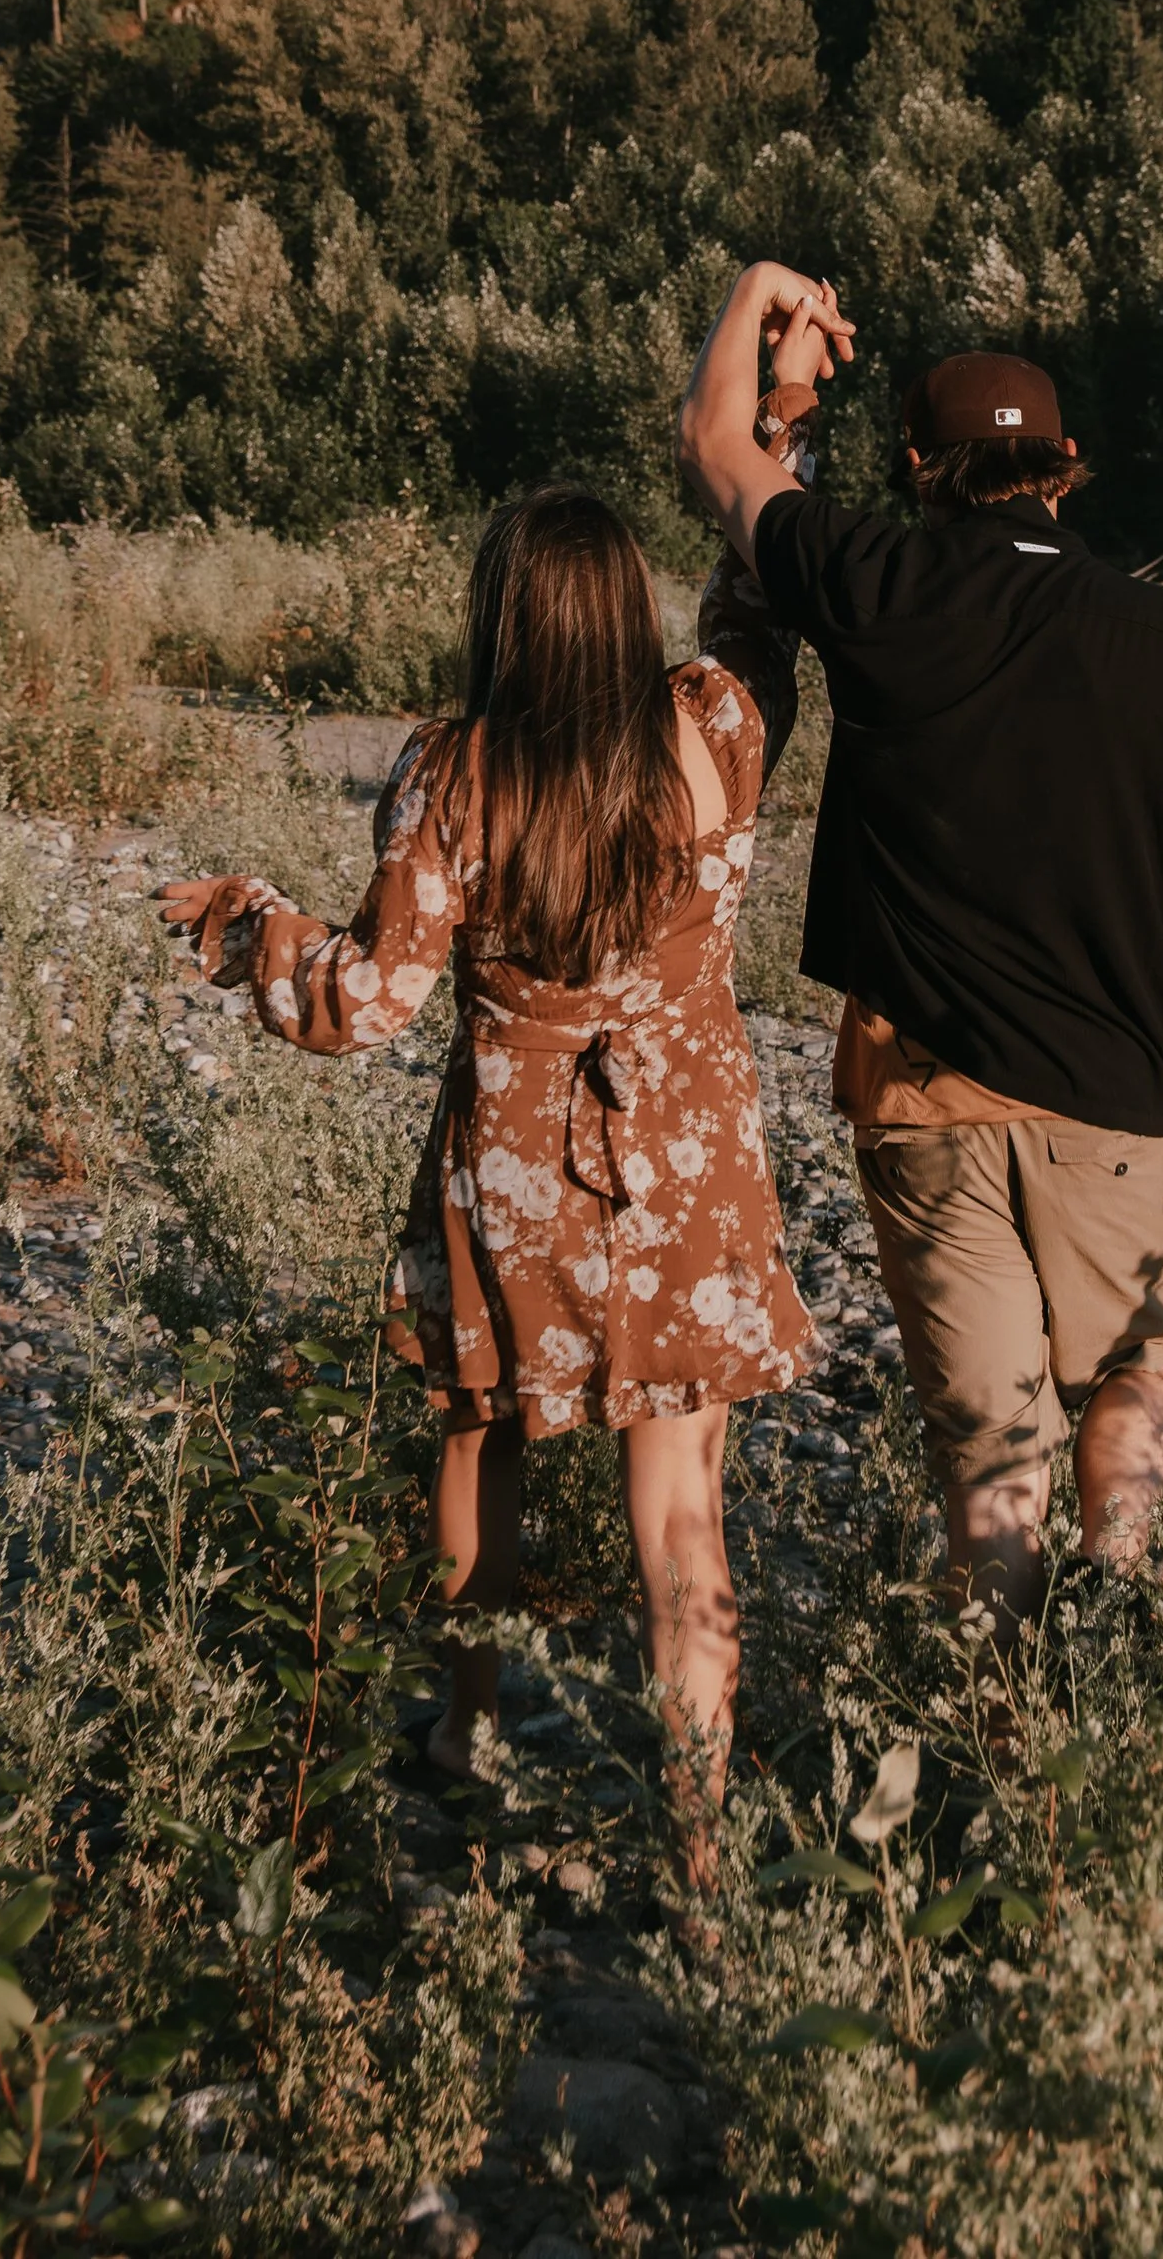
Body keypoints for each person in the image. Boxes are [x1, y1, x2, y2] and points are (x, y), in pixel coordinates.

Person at [158, 288, 844, 1860]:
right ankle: (697, 1821)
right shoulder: (717, 729)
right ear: (625, 612)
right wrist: (780, 407)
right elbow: (763, 577)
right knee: (682, 1511)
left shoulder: (453, 771)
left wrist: (245, 929)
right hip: (684, 1155)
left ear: (505, 616)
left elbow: (367, 1001)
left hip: (516, 1166)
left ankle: (463, 1739)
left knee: (480, 1435)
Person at [675, 264, 1163, 1627]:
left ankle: (1006, 1737)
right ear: (1065, 474)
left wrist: (762, 308)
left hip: (930, 1101)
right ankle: (1116, 1614)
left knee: (991, 1472)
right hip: (1128, 1112)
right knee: (1136, 1381)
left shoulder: (873, 574)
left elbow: (714, 452)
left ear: (918, 468)